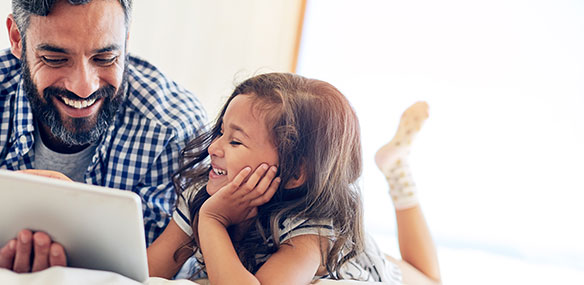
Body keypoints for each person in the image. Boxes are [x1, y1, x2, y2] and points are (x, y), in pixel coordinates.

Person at [146, 72, 441, 284]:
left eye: (235, 142)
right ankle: (395, 164)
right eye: (222, 132)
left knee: (431, 280)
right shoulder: (201, 195)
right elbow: (147, 270)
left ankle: (396, 169)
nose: (214, 147)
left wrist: (212, 222)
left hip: (366, 268)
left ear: (295, 173)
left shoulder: (312, 233)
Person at [0, 0, 207, 273]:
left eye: (105, 58)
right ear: (17, 38)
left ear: (127, 40)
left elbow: (165, 272)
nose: (84, 87)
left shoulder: (174, 131)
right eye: (55, 59)